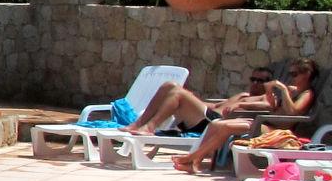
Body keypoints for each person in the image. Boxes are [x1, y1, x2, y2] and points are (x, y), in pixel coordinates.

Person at [170, 60, 323, 174]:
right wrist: (270, 90)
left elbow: (293, 112)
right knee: (216, 124)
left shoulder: (307, 94)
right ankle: (196, 160)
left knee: (226, 127)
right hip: (264, 124)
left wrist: (283, 90)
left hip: (275, 131)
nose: (291, 77)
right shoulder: (293, 91)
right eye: (290, 74)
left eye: (294, 74)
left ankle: (194, 160)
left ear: (307, 74)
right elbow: (272, 106)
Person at [126, 62, 310, 136]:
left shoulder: (265, 98)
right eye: (253, 79)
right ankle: (138, 124)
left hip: (213, 121)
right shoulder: (242, 95)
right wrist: (194, 100)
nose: (255, 83)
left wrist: (278, 90)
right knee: (169, 86)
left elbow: (269, 107)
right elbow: (214, 104)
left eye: (260, 81)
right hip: (207, 114)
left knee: (175, 90)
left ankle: (150, 128)